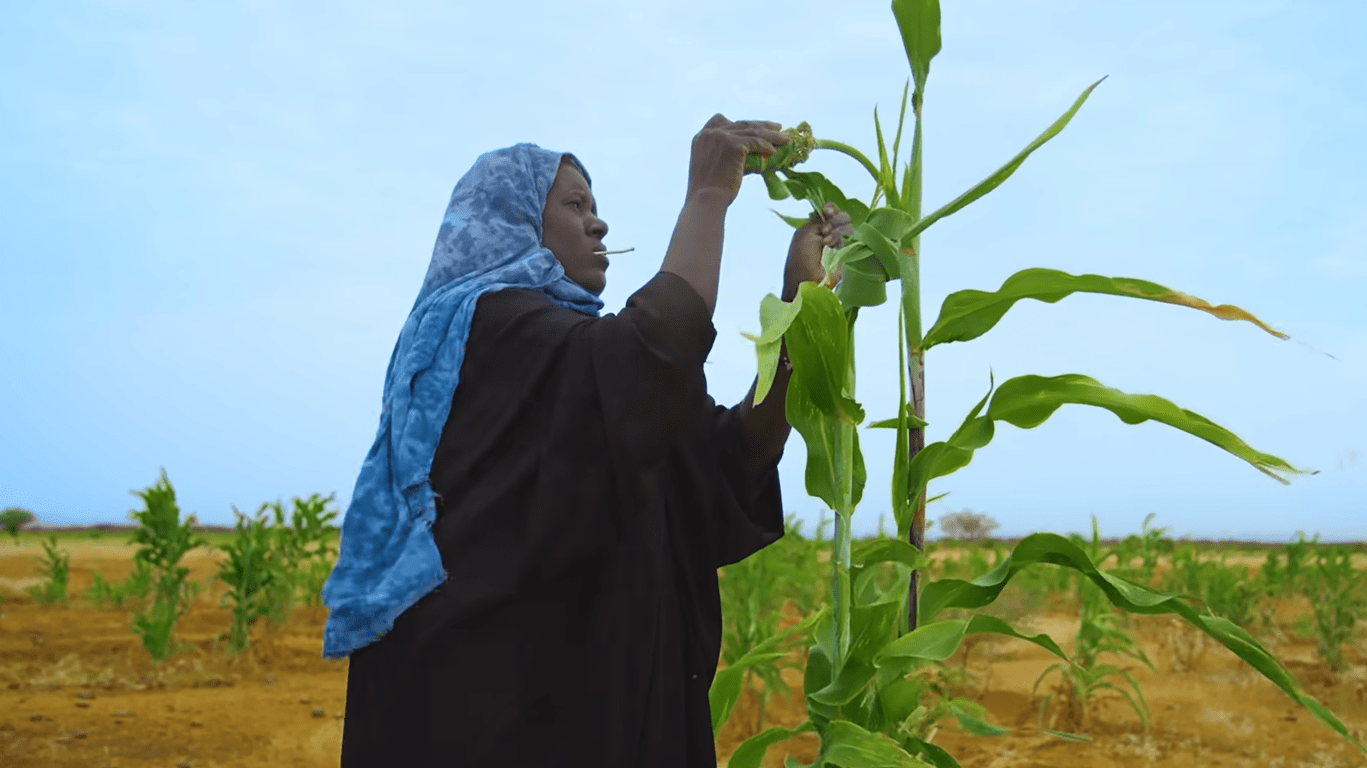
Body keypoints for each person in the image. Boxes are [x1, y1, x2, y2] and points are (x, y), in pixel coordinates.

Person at [323, 114, 854, 767]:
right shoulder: (478, 328)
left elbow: (729, 455)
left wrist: (802, 302)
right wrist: (708, 198)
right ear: (509, 223)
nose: (598, 224)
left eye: (596, 208)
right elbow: (654, 353)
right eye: (575, 205)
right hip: (489, 719)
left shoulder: (576, 367)